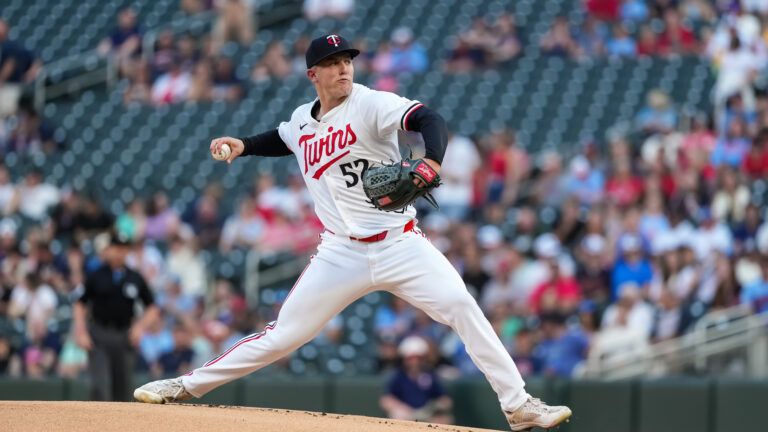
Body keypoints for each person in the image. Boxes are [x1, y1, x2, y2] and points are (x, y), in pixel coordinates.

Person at [133, 33, 572, 431]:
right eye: (333, 61)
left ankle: (518, 405)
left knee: (461, 304)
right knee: (283, 336)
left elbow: (429, 118)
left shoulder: (370, 103)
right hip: (339, 253)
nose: (344, 67)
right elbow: (284, 138)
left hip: (400, 243)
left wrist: (432, 160)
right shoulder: (303, 121)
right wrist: (242, 145)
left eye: (348, 59)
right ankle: (186, 387)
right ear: (313, 74)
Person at [73, 232, 159, 401]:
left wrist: (140, 327)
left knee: (123, 388)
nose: (119, 252)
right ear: (108, 250)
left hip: (124, 334)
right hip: (99, 333)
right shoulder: (96, 275)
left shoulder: (135, 277)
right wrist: (81, 331)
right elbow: (80, 303)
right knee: (99, 385)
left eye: (124, 248)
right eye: (116, 248)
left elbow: (152, 307)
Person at [380, 336, 453, 424]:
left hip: (427, 413)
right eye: (410, 358)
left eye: (418, 358)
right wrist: (401, 408)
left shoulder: (429, 374)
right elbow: (386, 400)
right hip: (407, 414)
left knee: (443, 419)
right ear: (404, 359)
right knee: (398, 415)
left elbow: (444, 399)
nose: (414, 362)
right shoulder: (398, 376)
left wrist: (438, 406)